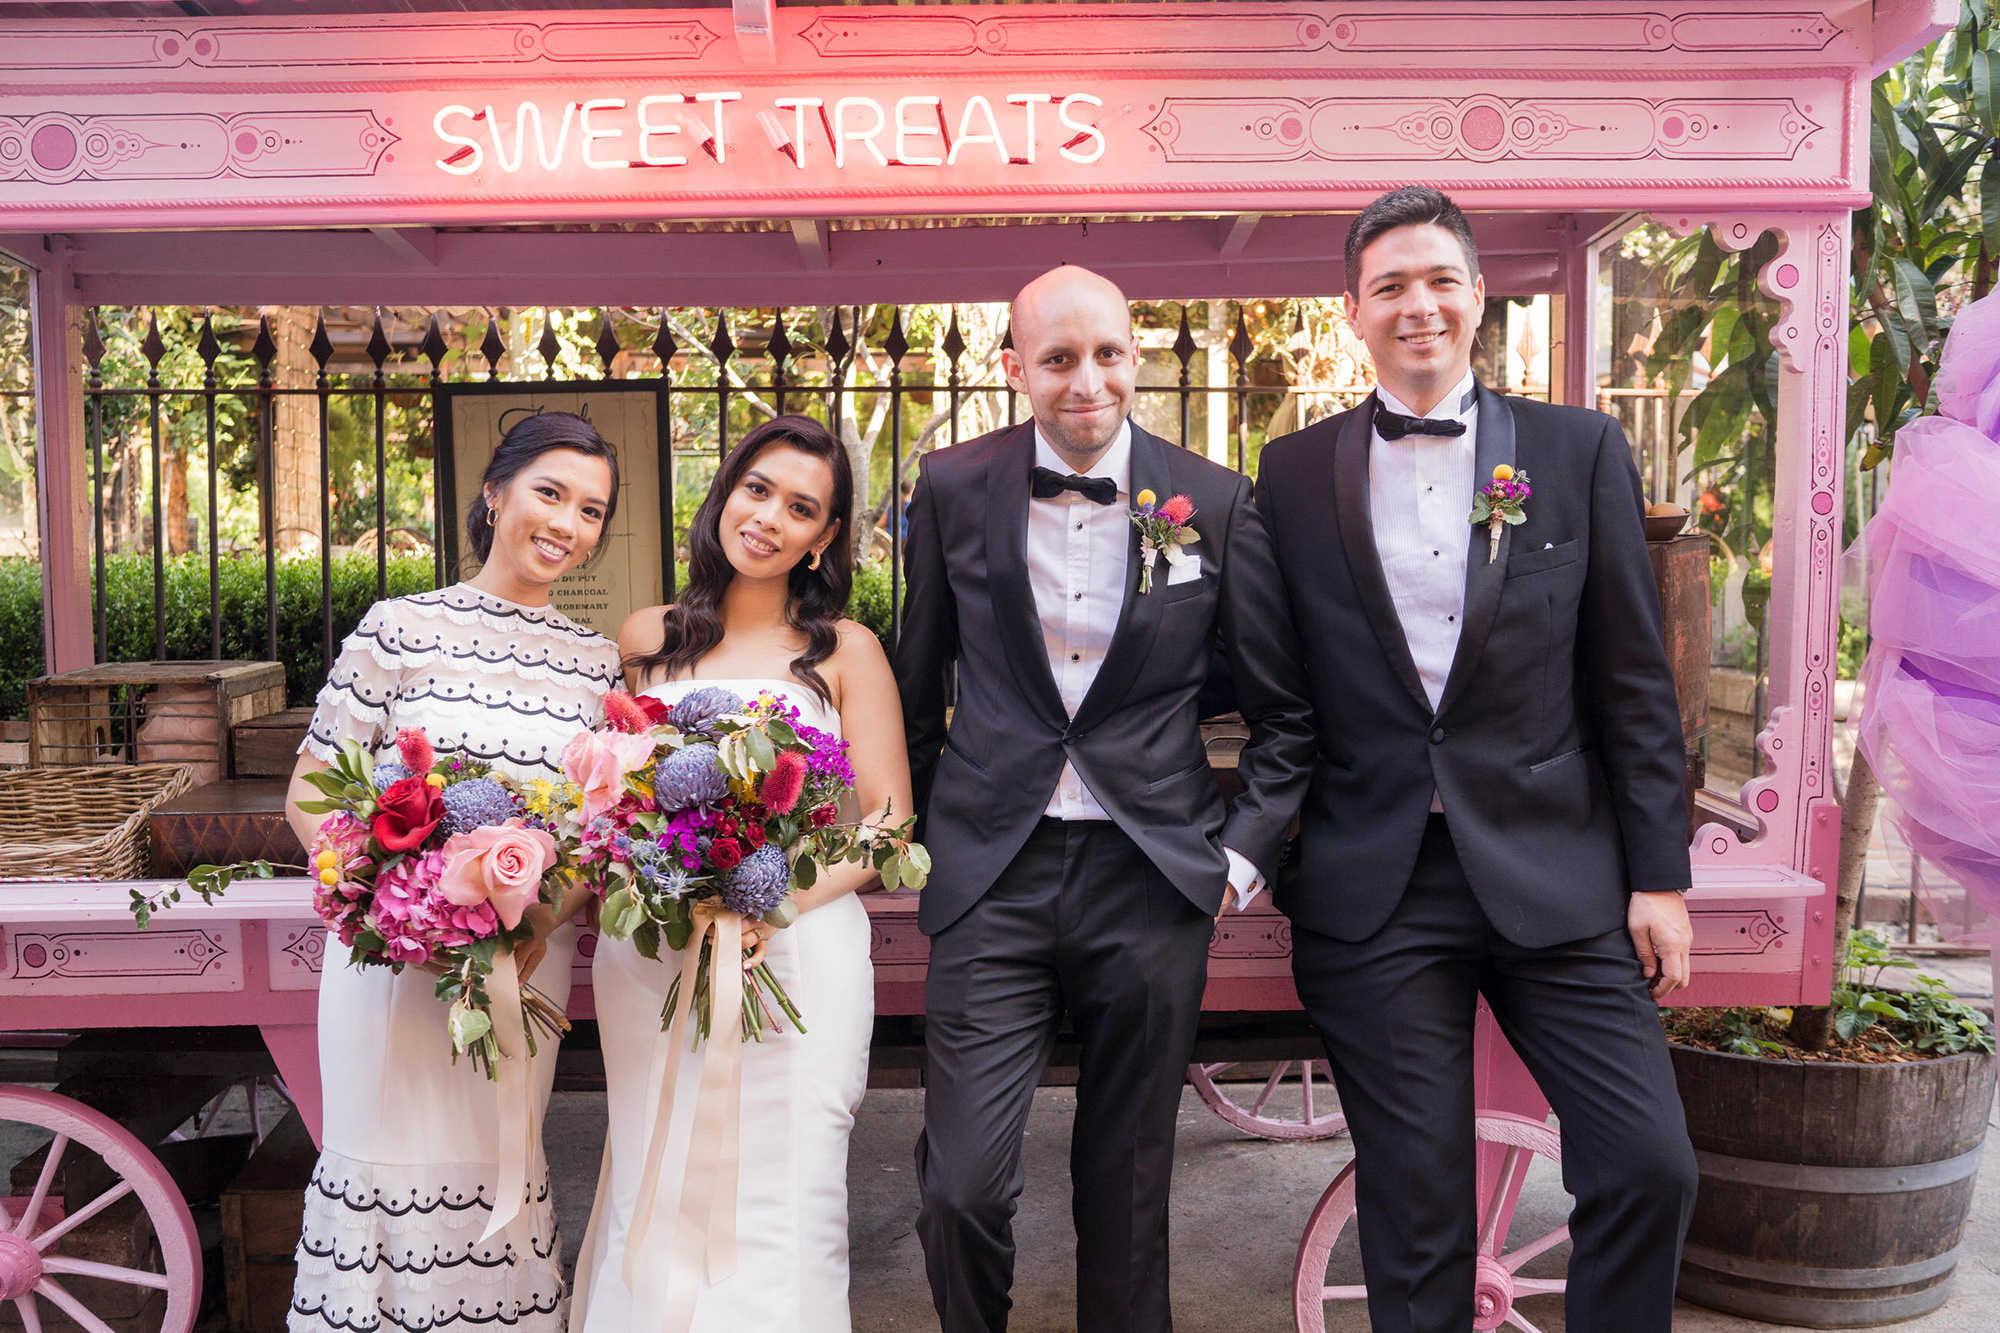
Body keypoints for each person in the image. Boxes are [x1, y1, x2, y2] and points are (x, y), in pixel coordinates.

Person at [1255, 186, 1699, 1332]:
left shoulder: (1576, 447)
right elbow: (1272, 684)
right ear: (1350, 312)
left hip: (1558, 872)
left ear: (1477, 295)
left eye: (1440, 279)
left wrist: (1658, 876)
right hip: (1376, 884)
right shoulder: (1289, 474)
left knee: (1649, 1163)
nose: (1419, 306)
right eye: (1390, 286)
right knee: (1414, 1210)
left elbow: (1632, 679)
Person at [896, 266, 1316, 1333]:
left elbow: (1283, 712)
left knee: (1128, 1190)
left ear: (1135, 355)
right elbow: (913, 689)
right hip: (993, 875)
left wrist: (1235, 856)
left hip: (1151, 875)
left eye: (1107, 354)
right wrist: (937, 835)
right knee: (962, 1187)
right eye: (1057, 359)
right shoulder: (948, 485)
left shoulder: (1211, 498)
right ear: (1013, 369)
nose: (1087, 382)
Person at [572, 414, 910, 1333]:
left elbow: (888, 823)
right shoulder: (645, 635)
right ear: (724, 492)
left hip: (795, 949)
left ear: (825, 538)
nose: (768, 517)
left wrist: (771, 896)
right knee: (656, 1159)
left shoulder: (846, 650)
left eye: (801, 507)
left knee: (787, 1184)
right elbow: (602, 794)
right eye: (757, 489)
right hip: (656, 951)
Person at [287, 411, 623, 1333]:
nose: (567, 524)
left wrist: (540, 921)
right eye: (550, 493)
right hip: (390, 964)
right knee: (381, 1166)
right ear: (495, 492)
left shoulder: (597, 664)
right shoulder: (400, 627)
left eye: (591, 510)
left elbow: (598, 830)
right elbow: (314, 792)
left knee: (496, 1170)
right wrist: (387, 904)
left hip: (522, 962)